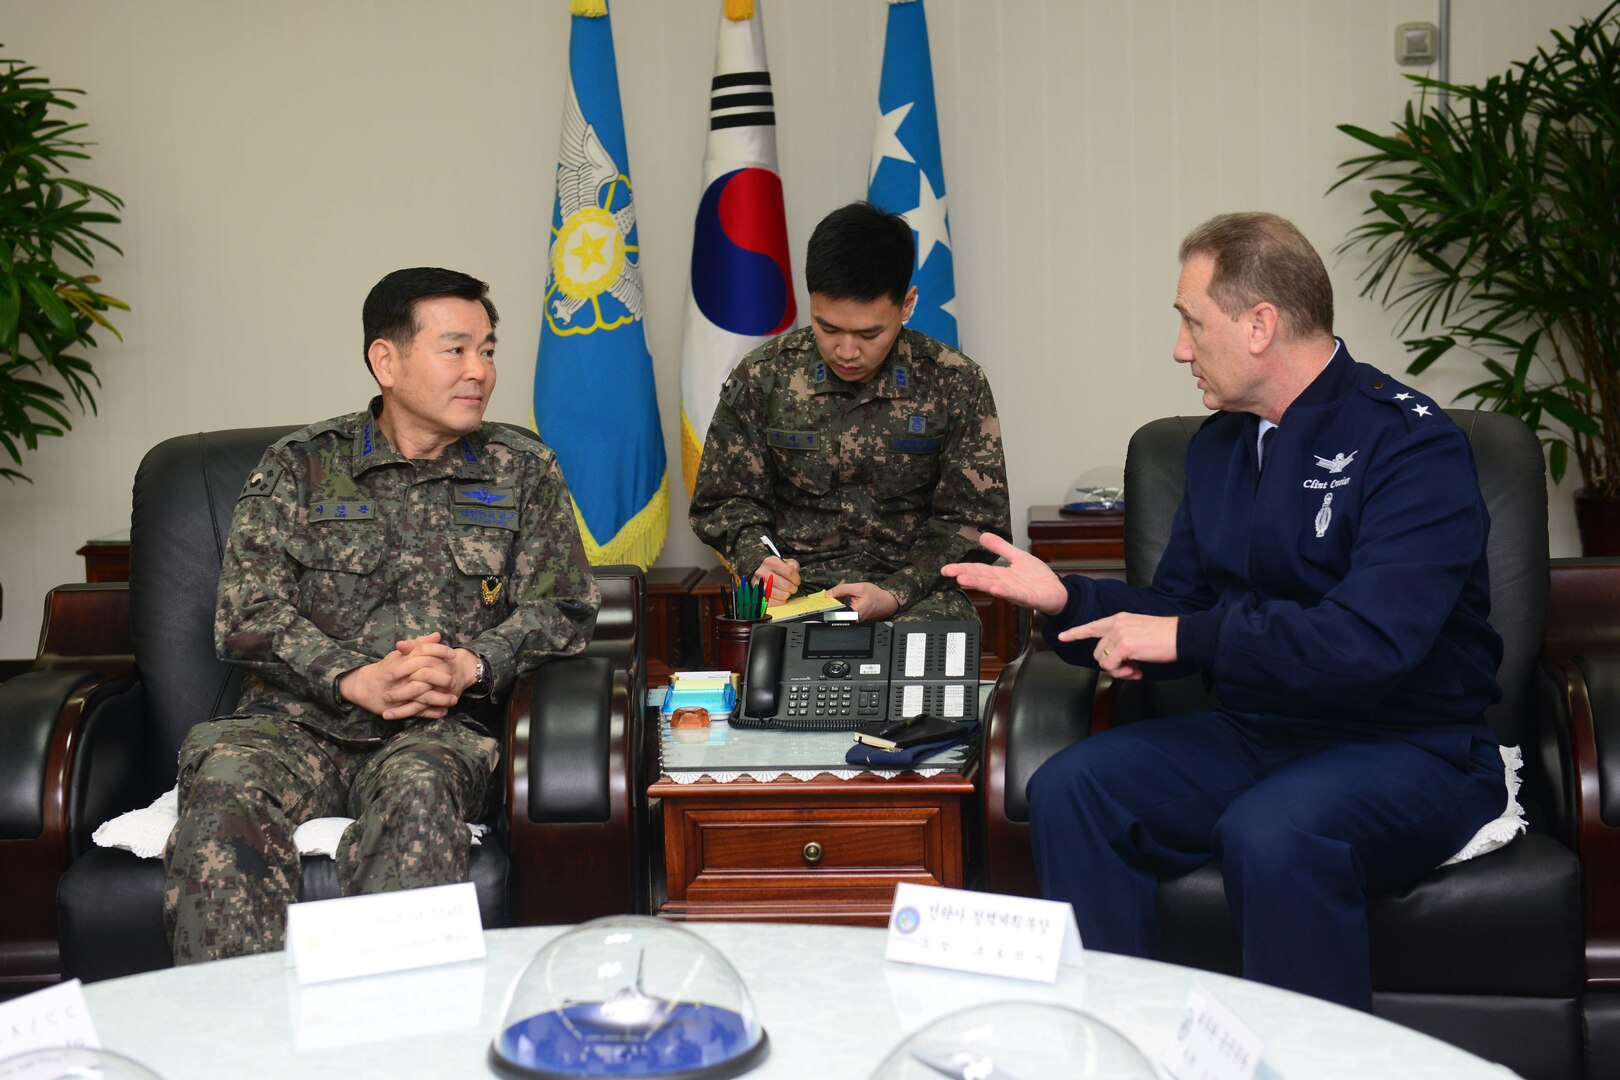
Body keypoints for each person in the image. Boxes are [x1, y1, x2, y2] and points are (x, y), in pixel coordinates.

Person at [942, 212, 1508, 1011]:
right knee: (1075, 789)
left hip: (1409, 743)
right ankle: (1121, 1050)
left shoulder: (1411, 445)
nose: (1180, 348)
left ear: (1259, 325)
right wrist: (1069, 598)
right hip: (1260, 729)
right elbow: (1183, 606)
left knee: (1273, 833)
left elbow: (1368, 644)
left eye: (1190, 322)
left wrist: (1184, 634)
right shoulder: (1217, 448)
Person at [162, 267, 600, 963]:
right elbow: (246, 611)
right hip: (292, 724)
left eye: (487, 350)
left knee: (420, 794)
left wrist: (472, 664)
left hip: (435, 729)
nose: (479, 371)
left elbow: (565, 607)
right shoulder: (300, 467)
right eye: (455, 349)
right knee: (223, 788)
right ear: (386, 361)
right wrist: (350, 678)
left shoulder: (522, 469)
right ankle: (244, 1039)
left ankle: (402, 1043)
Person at [689, 201, 1010, 623]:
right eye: (828, 328)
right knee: (770, 669)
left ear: (907, 305)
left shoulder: (954, 383)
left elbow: (974, 524)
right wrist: (758, 559)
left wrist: (896, 592)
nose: (846, 351)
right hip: (798, 591)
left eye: (868, 333)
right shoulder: (763, 377)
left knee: (925, 663)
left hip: (917, 594)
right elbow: (724, 502)